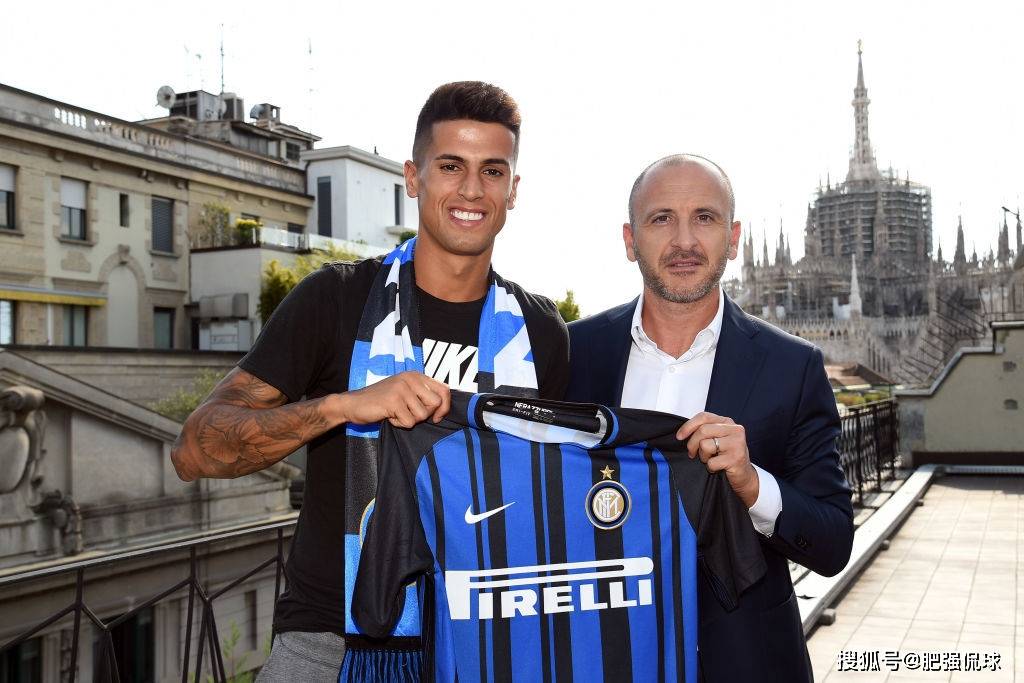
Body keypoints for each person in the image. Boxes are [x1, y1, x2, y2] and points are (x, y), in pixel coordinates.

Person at [170, 82, 569, 682]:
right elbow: (194, 450)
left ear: (513, 190)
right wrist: (344, 407)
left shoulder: (540, 332)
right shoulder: (336, 298)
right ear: (413, 177)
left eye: (492, 171)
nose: (471, 189)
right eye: (450, 166)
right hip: (330, 644)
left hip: (488, 641)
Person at [565, 154, 853, 682]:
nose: (684, 241)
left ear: (733, 237)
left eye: (704, 217)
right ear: (630, 240)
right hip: (600, 658)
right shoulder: (571, 353)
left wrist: (752, 485)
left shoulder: (791, 367)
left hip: (744, 663)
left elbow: (833, 542)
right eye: (661, 219)